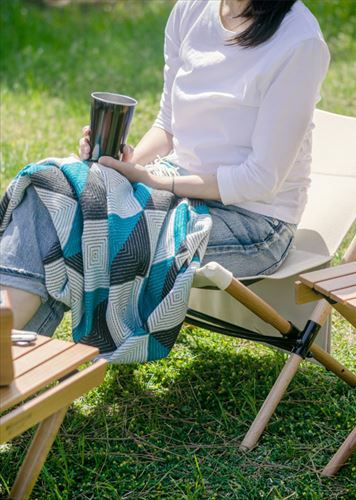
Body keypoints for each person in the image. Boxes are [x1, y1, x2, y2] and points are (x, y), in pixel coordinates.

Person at [0, 0, 330, 337]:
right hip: (176, 188)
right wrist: (125, 164)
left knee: (83, 227)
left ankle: (9, 353)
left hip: (252, 224)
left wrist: (156, 181)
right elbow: (168, 126)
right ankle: (9, 351)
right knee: (50, 191)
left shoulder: (299, 41)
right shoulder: (191, 10)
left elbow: (260, 179)